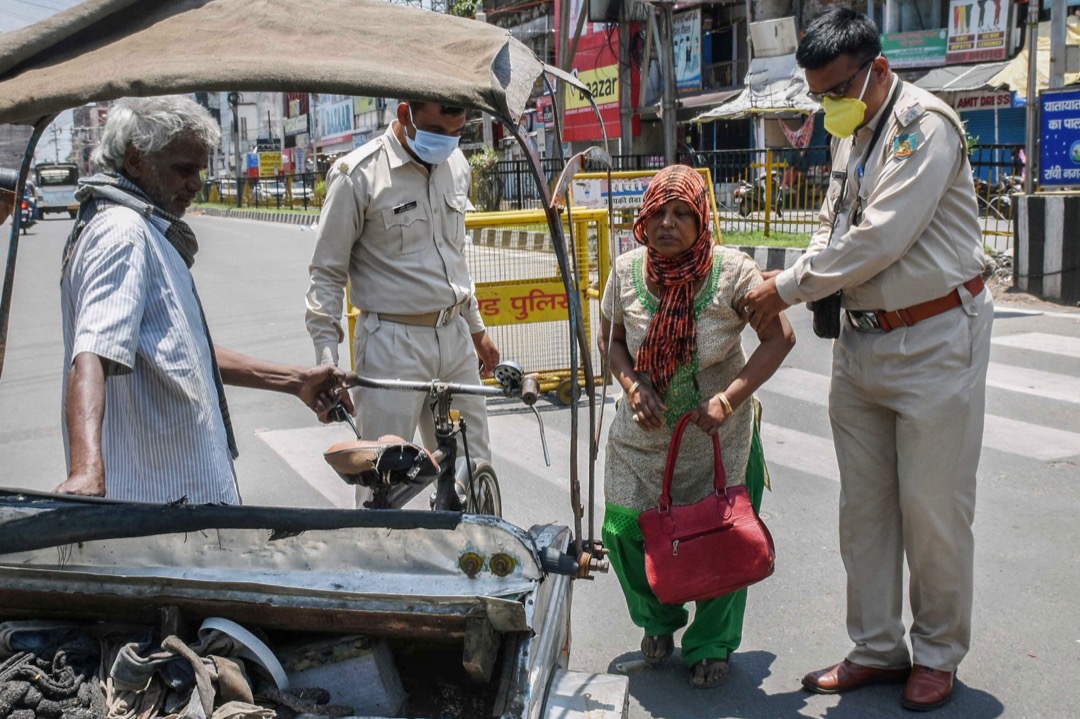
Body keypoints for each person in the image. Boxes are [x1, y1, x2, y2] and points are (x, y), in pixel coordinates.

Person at [743, 8, 993, 712]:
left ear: (878, 69)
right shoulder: (852, 131)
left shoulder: (926, 126)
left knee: (934, 507)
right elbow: (833, 221)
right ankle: (878, 647)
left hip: (935, 337)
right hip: (861, 342)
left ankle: (938, 652)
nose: (829, 105)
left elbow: (880, 237)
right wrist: (810, 276)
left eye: (838, 90)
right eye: (819, 94)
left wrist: (787, 286)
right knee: (866, 510)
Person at [54, 96, 350, 505]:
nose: (195, 184)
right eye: (183, 170)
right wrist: (85, 470)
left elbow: (182, 351)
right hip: (160, 505)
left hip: (179, 498)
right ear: (137, 161)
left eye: (199, 170)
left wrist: (295, 380)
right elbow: (92, 353)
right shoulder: (122, 232)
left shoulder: (142, 228)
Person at [598, 165, 795, 689]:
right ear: (643, 217)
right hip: (642, 439)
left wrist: (729, 402)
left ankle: (710, 644)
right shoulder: (624, 272)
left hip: (718, 438)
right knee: (620, 531)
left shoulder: (733, 273)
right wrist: (633, 385)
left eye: (682, 212)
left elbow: (781, 338)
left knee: (721, 540)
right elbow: (611, 341)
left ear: (702, 217)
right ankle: (658, 620)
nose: (668, 223)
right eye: (658, 212)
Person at [306, 100, 499, 508]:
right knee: (383, 480)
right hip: (393, 345)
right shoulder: (357, 175)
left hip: (455, 336)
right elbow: (326, 275)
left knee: (473, 466)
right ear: (405, 112)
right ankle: (381, 566)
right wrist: (327, 361)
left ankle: (471, 561)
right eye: (435, 130)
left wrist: (478, 331)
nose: (445, 142)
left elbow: (455, 258)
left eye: (455, 132)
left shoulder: (457, 165)